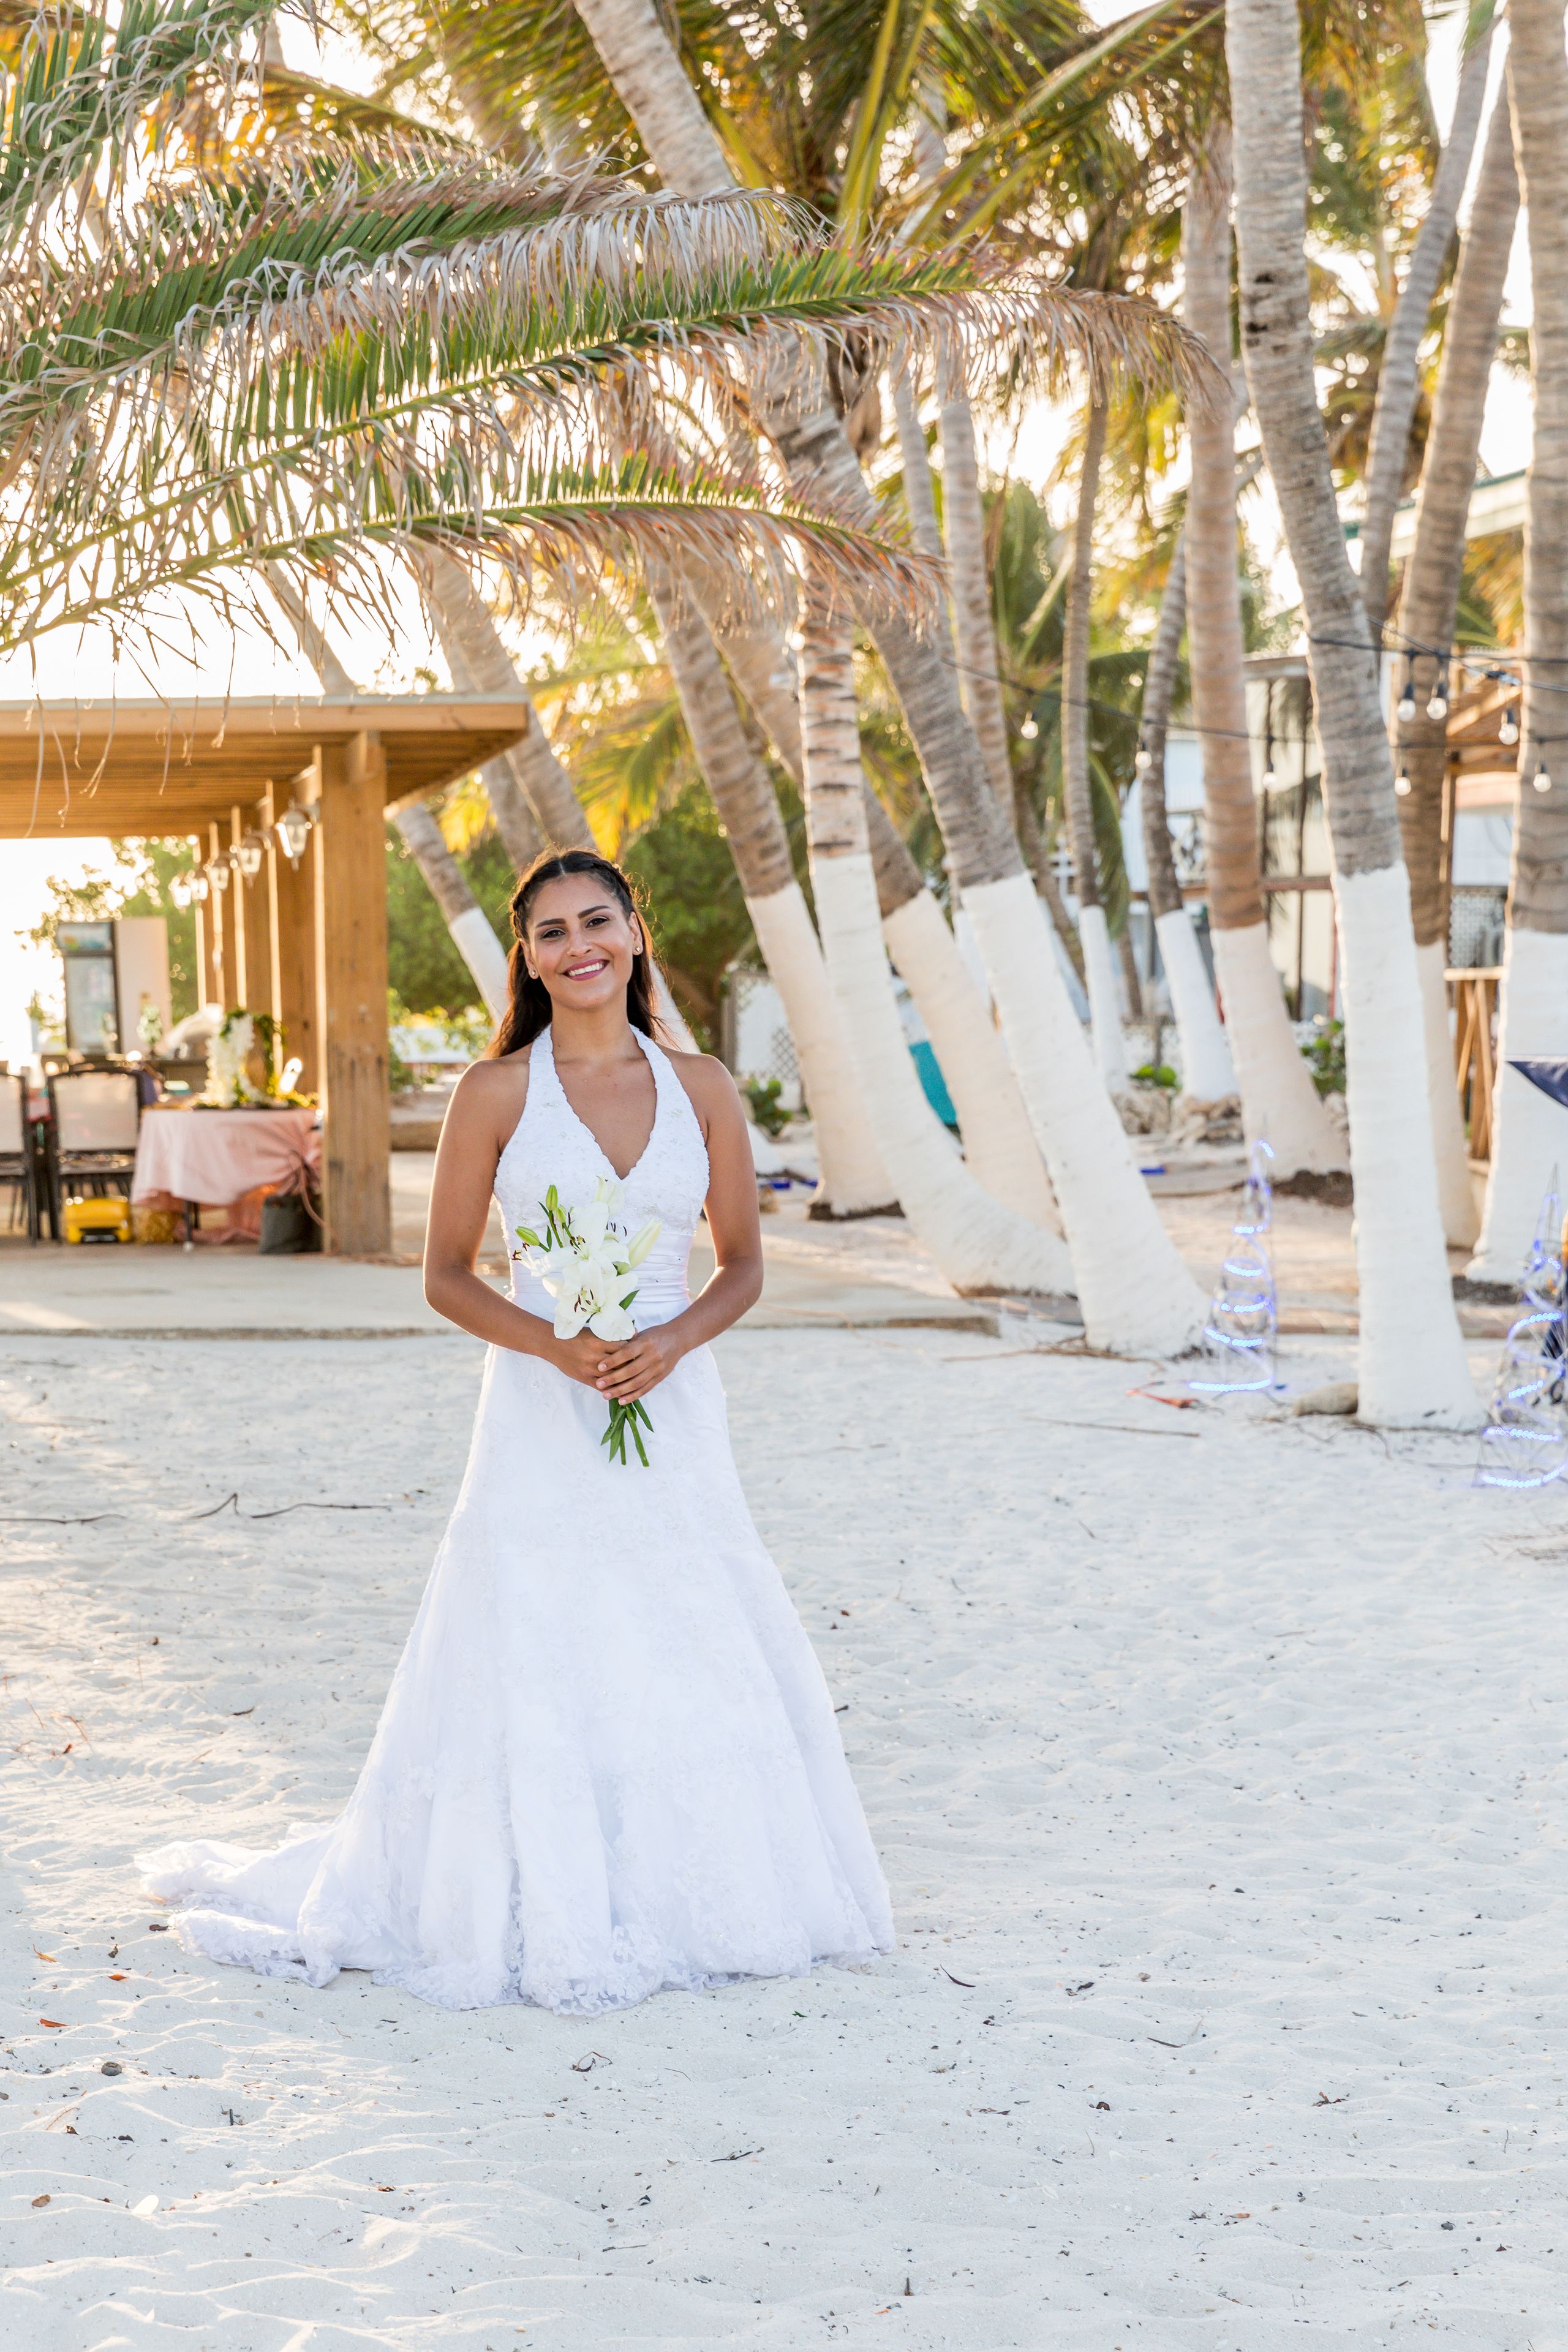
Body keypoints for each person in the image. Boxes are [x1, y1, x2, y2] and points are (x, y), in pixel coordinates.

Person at [140, 850, 892, 2015]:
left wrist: (672, 1342)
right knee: (545, 1624)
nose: (577, 946)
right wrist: (555, 1345)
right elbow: (444, 1275)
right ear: (528, 960)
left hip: (672, 1401)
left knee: (679, 1618)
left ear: (634, 934)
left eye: (597, 921)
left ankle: (683, 1880)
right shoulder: (494, 1094)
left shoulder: (702, 1086)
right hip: (541, 1405)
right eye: (551, 932)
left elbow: (744, 1264)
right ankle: (550, 1884)